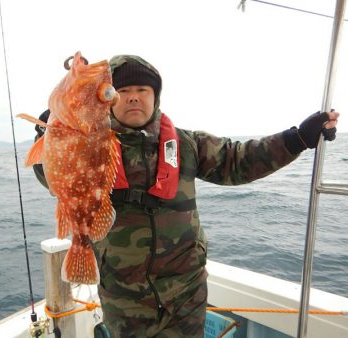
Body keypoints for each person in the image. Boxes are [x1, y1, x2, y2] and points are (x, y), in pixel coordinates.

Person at [33, 55, 339, 338]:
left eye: (143, 89)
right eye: (122, 90)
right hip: (124, 301)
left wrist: (297, 138)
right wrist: (50, 137)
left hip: (187, 298)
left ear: (156, 97)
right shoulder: (87, 141)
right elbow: (54, 176)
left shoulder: (186, 144)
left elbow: (239, 160)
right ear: (109, 100)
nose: (134, 96)